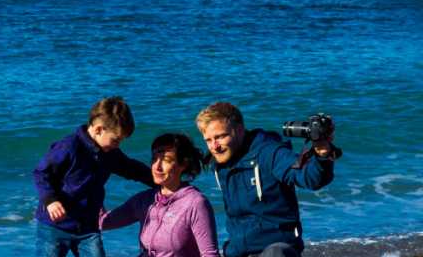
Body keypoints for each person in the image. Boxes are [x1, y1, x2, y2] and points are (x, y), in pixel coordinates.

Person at [196, 102, 338, 257]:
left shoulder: (270, 153)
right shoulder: (220, 162)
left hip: (276, 248)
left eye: (220, 137)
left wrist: (323, 153)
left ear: (239, 130)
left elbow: (310, 178)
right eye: (208, 140)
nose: (214, 146)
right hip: (237, 251)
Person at [33, 96, 156, 257]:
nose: (118, 145)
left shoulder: (110, 153)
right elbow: (41, 173)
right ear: (98, 129)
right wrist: (50, 200)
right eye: (116, 139)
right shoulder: (69, 146)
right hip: (54, 226)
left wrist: (160, 182)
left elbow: (131, 169)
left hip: (87, 228)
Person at [100, 133, 220, 257]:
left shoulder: (195, 203)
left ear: (183, 164)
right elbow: (103, 222)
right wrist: (92, 184)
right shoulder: (145, 200)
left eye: (166, 160)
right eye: (154, 159)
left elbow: (210, 254)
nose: (157, 167)